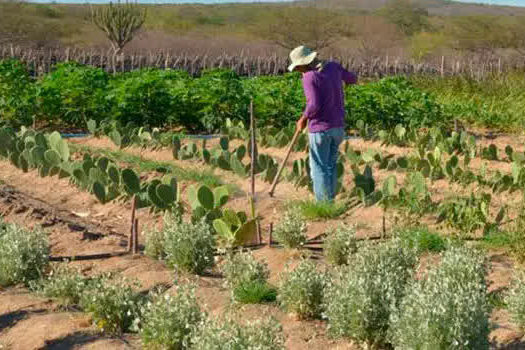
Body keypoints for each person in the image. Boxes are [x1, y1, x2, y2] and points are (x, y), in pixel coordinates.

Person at [288, 45, 357, 202]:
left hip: (320, 129)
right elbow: (353, 78)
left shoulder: (309, 77)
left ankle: (322, 204)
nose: (298, 70)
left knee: (319, 168)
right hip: (338, 127)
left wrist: (303, 119)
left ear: (304, 64)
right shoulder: (333, 67)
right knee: (331, 166)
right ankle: (330, 201)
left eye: (298, 67)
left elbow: (314, 104)